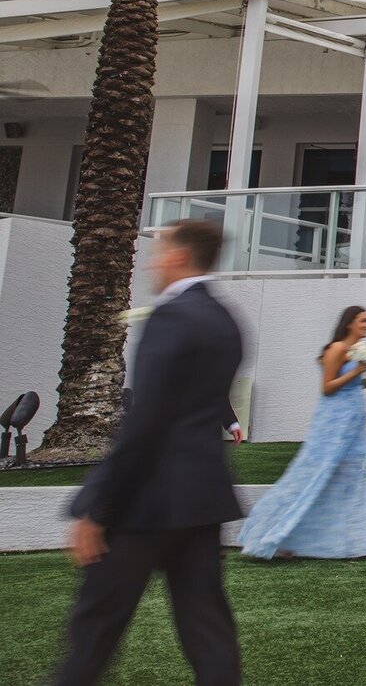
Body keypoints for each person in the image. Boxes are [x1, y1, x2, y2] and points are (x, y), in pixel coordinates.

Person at [55, 219, 243, 686]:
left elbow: (145, 423)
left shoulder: (172, 317)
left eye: (159, 251)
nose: (153, 261)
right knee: (209, 633)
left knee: (94, 631)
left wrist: (98, 509)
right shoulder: (225, 320)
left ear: (179, 257)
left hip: (144, 503)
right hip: (201, 502)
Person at [237, 305, 366, 560]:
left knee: (349, 480)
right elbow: (327, 387)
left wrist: (361, 371)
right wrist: (357, 372)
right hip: (333, 423)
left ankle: (349, 542)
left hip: (353, 426)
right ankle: (269, 533)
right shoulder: (336, 349)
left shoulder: (355, 352)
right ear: (349, 324)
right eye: (362, 320)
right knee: (312, 476)